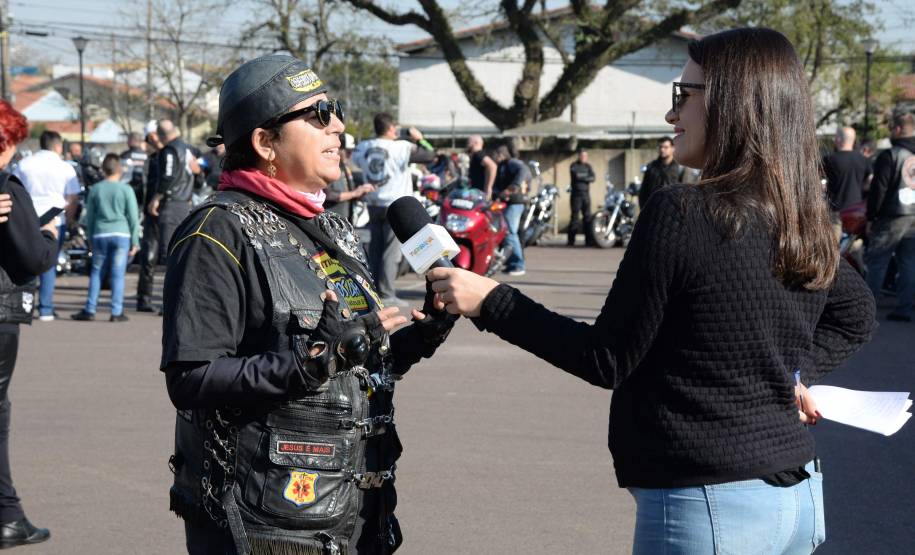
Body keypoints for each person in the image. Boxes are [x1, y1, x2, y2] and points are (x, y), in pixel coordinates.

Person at [427, 28, 876, 554]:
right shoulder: (800, 217)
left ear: (734, 103)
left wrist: (490, 300)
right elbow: (856, 314)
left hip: (709, 503)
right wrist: (792, 375)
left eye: (683, 96)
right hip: (794, 498)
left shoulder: (680, 211)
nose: (672, 116)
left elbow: (606, 358)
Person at [162, 54, 456, 554]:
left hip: (352, 510)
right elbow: (191, 378)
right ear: (265, 142)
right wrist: (315, 359)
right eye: (318, 114)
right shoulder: (215, 232)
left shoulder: (331, 228)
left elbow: (347, 367)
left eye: (334, 110)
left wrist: (420, 337)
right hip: (262, 523)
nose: (338, 126)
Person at [0, 99, 54, 549]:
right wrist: (50, 238)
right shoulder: (8, 185)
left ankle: (10, 512)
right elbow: (32, 258)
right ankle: (8, 514)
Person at [352, 113, 435, 306]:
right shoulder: (401, 147)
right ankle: (387, 294)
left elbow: (355, 162)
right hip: (394, 203)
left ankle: (373, 290)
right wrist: (420, 138)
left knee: (375, 249)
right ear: (391, 128)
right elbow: (430, 155)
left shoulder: (363, 147)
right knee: (390, 251)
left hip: (373, 202)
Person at [11, 131, 80, 321]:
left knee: (27, 261)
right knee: (48, 263)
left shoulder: (25, 164)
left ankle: (24, 305)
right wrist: (70, 218)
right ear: (58, 146)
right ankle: (46, 308)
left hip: (29, 217)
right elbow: (72, 198)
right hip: (56, 219)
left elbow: (15, 189)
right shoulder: (65, 167)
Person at [71, 154, 140, 322]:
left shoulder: (96, 189)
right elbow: (133, 217)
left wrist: (90, 240)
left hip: (101, 233)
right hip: (121, 234)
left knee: (96, 272)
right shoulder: (126, 190)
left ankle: (90, 309)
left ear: (103, 169)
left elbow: (91, 218)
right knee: (118, 274)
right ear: (119, 169)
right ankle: (116, 312)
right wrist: (135, 241)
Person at [136, 120, 194, 313]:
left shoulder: (170, 151)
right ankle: (153, 299)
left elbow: (169, 177)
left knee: (169, 254)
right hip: (179, 204)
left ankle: (171, 301)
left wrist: (157, 198)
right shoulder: (184, 149)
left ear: (159, 136)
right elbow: (196, 172)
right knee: (165, 254)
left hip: (170, 205)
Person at [864, 111, 915, 322]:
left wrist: (870, 216)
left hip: (891, 216)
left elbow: (879, 190)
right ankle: (904, 308)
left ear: (897, 129)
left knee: (877, 262)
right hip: (913, 216)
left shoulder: (890, 155)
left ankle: (866, 311)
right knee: (908, 263)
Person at [491, 145, 530, 276]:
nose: (494, 158)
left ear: (500, 154)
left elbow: (523, 169)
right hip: (509, 203)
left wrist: (513, 186)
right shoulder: (503, 166)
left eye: (495, 155)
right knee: (507, 232)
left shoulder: (511, 162)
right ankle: (511, 263)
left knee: (510, 232)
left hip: (515, 202)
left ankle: (519, 264)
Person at [324, 133, 375, 223]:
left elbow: (348, 191)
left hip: (346, 219)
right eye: (348, 152)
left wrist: (360, 192)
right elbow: (328, 194)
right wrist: (354, 193)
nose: (350, 155)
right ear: (338, 149)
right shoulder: (328, 167)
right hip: (332, 220)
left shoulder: (344, 166)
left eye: (352, 152)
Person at [823, 127, 871, 214]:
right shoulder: (863, 159)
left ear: (838, 139)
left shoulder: (829, 160)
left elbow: (818, 181)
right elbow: (870, 180)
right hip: (857, 209)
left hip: (836, 209)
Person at [638, 136, 683, 208]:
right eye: (660, 147)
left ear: (672, 148)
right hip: (653, 209)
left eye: (665, 147)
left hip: (673, 210)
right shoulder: (651, 167)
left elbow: (685, 191)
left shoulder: (680, 168)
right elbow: (644, 191)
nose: (662, 150)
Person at [568, 149, 595, 246]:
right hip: (576, 195)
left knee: (587, 218)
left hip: (586, 195)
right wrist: (586, 177)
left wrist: (584, 177)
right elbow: (577, 176)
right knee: (575, 218)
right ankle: (571, 241)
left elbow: (593, 178)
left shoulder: (588, 166)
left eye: (585, 156)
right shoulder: (574, 165)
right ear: (579, 156)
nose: (584, 158)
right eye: (582, 156)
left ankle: (588, 241)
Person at [120, 132, 149, 208]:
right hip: (144, 190)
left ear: (132, 140)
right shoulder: (147, 156)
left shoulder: (125, 155)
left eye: (128, 139)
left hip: (127, 189)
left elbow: (120, 174)